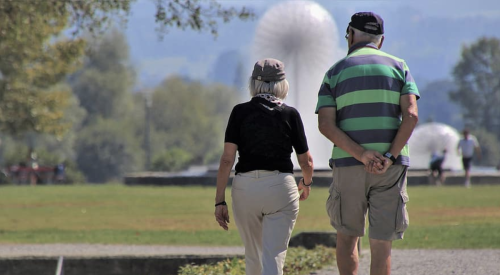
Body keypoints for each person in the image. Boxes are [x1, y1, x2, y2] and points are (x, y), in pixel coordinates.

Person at [316, 12, 420, 275]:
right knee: (381, 243)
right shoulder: (400, 66)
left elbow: (326, 125)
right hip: (391, 169)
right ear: (380, 40)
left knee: (347, 237)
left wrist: (362, 155)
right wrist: (389, 156)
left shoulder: (335, 72)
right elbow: (411, 115)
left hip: (349, 164)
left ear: (350, 34)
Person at [214, 58, 314, 275]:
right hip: (280, 187)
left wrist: (219, 200)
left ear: (253, 83)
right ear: (282, 84)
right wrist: (306, 183)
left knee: (253, 256)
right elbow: (306, 161)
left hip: (245, 189)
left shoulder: (239, 112)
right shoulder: (290, 114)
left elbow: (226, 160)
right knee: (273, 256)